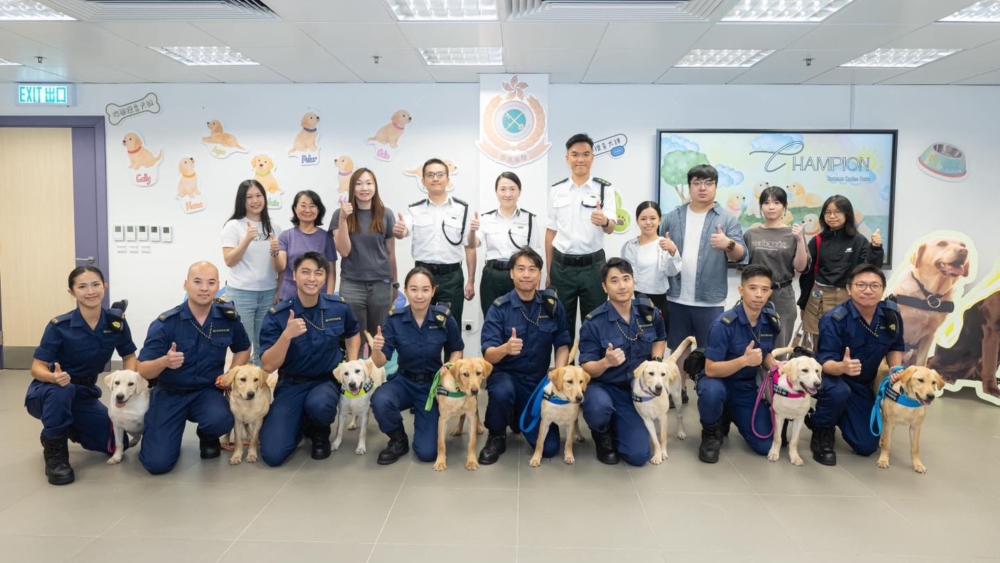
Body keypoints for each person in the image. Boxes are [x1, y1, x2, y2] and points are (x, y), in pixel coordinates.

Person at [26, 266, 137, 485]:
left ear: (104, 286)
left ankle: (65, 426)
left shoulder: (115, 324)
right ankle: (56, 455)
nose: (90, 291)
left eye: (96, 284)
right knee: (63, 391)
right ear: (72, 292)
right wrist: (53, 378)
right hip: (48, 392)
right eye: (82, 286)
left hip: (83, 394)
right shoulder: (60, 325)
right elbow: (36, 367)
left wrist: (129, 381)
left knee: (116, 444)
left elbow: (129, 355)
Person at [137, 262, 250, 475]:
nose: (204, 288)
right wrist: (164, 362)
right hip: (170, 393)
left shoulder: (228, 318)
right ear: (186, 285)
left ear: (218, 286)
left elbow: (243, 348)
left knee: (222, 419)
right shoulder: (165, 323)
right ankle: (164, 435)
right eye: (197, 282)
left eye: (211, 283)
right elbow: (142, 369)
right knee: (157, 464)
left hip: (207, 391)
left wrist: (230, 375)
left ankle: (208, 436)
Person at [257, 252, 361, 466]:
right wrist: (286, 336)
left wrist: (351, 364)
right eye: (305, 272)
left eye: (318, 273)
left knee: (320, 405)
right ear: (294, 275)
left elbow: (353, 332)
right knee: (273, 455)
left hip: (326, 382)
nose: (312, 278)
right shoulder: (278, 314)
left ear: (325, 278)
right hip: (291, 384)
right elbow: (268, 364)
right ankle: (301, 422)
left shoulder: (338, 307)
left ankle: (320, 432)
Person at [659, 164, 747, 400]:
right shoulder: (673, 216)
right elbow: (658, 247)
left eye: (708, 183)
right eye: (697, 183)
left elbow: (741, 255)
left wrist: (728, 244)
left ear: (716, 187)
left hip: (710, 298)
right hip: (676, 295)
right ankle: (679, 392)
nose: (702, 188)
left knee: (710, 351)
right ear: (689, 187)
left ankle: (709, 394)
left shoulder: (727, 219)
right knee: (678, 349)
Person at [478, 246, 571, 465]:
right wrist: (505, 349)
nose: (526, 274)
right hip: (506, 375)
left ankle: (516, 415)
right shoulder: (499, 307)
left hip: (537, 382)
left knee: (549, 449)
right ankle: (496, 435)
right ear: (511, 273)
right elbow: (488, 356)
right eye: (521, 269)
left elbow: (563, 344)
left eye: (532, 269)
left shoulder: (552, 306)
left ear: (540, 274)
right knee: (502, 391)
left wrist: (557, 373)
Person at [809, 264, 904, 466]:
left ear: (883, 289)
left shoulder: (891, 315)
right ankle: (821, 429)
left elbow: (895, 345)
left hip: (862, 384)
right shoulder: (834, 320)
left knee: (866, 446)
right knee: (838, 392)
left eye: (874, 286)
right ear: (849, 289)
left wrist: (896, 368)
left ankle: (835, 414)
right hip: (834, 379)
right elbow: (824, 363)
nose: (868, 290)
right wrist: (842, 367)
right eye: (861, 285)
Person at [369, 267, 464, 465]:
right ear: (406, 290)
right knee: (380, 399)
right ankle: (398, 440)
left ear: (433, 291)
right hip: (403, 381)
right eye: (413, 289)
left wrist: (451, 365)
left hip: (431, 385)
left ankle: (422, 427)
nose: (419, 295)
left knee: (427, 453)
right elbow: (379, 362)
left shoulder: (444, 318)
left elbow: (456, 349)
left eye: (425, 290)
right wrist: (376, 349)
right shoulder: (394, 320)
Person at [578, 258, 666, 466]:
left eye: (626, 279)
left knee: (638, 456)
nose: (622, 286)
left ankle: (620, 424)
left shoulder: (649, 313)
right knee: (598, 408)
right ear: (604, 287)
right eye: (614, 281)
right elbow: (586, 368)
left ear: (633, 282)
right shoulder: (594, 322)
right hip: (605, 387)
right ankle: (602, 434)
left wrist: (655, 363)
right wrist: (606, 363)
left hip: (637, 391)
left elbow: (660, 338)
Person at [696, 264, 782, 464]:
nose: (758, 295)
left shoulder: (770, 321)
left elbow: (765, 354)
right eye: (752, 288)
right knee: (712, 393)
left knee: (765, 446)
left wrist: (778, 367)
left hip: (744, 388)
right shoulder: (723, 324)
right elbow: (710, 369)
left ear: (770, 292)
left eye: (764, 289)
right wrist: (744, 360)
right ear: (741, 290)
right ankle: (710, 431)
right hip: (717, 382)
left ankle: (729, 413)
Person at [546, 133, 619, 338]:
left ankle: (591, 369)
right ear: (567, 158)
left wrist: (604, 221)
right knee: (561, 323)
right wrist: (550, 271)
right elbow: (551, 231)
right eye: (575, 154)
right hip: (562, 267)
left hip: (593, 267)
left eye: (586, 154)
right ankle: (565, 369)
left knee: (595, 322)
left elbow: (611, 226)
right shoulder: (556, 190)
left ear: (592, 157)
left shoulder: (605, 188)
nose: (580, 159)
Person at [394, 159, 476, 329]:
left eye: (440, 174)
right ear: (423, 181)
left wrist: (471, 281)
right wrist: (399, 230)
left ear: (447, 178)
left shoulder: (462, 209)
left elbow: (470, 246)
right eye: (430, 175)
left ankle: (452, 357)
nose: (435, 179)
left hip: (451, 277)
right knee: (421, 326)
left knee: (451, 328)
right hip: (422, 275)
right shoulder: (415, 209)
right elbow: (403, 232)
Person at [799, 195, 883, 349]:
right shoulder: (817, 240)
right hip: (819, 297)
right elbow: (806, 271)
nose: (832, 216)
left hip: (847, 297)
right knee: (818, 343)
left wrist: (876, 248)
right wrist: (803, 302)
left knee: (847, 341)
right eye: (827, 212)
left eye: (837, 212)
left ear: (847, 214)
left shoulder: (858, 241)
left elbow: (870, 271)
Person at [331, 168, 402, 336]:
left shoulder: (386, 214)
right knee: (354, 337)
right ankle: (355, 363)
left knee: (378, 338)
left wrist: (395, 284)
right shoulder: (339, 214)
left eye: (369, 183)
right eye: (359, 184)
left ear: (375, 186)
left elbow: (391, 253)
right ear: (352, 188)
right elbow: (344, 251)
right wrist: (343, 219)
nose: (364, 188)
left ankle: (376, 364)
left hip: (381, 283)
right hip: (352, 284)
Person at [221, 179, 282, 366]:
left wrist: (278, 290)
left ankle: (260, 392)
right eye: (249, 197)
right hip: (241, 293)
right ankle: (239, 392)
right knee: (243, 348)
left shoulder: (275, 227)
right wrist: (247, 239)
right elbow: (229, 260)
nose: (255, 200)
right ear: (242, 200)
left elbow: (280, 267)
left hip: (269, 293)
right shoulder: (234, 226)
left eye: (258, 195)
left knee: (264, 348)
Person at [469, 172, 543, 317]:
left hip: (519, 274)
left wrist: (537, 288)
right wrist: (472, 231)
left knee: (520, 317)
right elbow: (472, 244)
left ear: (519, 192)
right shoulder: (486, 218)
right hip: (492, 276)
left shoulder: (529, 219)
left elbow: (536, 257)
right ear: (496, 191)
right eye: (503, 189)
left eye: (512, 189)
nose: (507, 194)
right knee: (492, 318)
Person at [743, 186, 808, 348]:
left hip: (782, 294)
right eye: (766, 203)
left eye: (776, 202)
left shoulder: (793, 233)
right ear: (760, 207)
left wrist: (800, 240)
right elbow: (744, 267)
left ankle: (776, 374)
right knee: (751, 343)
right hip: (755, 293)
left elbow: (800, 267)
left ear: (784, 207)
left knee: (780, 347)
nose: (771, 207)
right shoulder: (751, 234)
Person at [620, 201, 682, 316]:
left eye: (653, 218)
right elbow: (624, 276)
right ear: (637, 221)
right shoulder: (629, 246)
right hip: (635, 299)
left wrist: (673, 251)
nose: (648, 222)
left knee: (660, 333)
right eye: (643, 219)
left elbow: (672, 272)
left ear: (659, 220)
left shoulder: (666, 244)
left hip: (659, 300)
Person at [277, 190, 337, 301]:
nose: (307, 210)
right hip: (289, 297)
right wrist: (278, 292)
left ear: (319, 210)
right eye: (303, 205)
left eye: (312, 206)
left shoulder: (326, 237)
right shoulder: (286, 236)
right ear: (295, 209)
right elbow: (282, 269)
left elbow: (331, 272)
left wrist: (329, 298)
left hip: (318, 298)